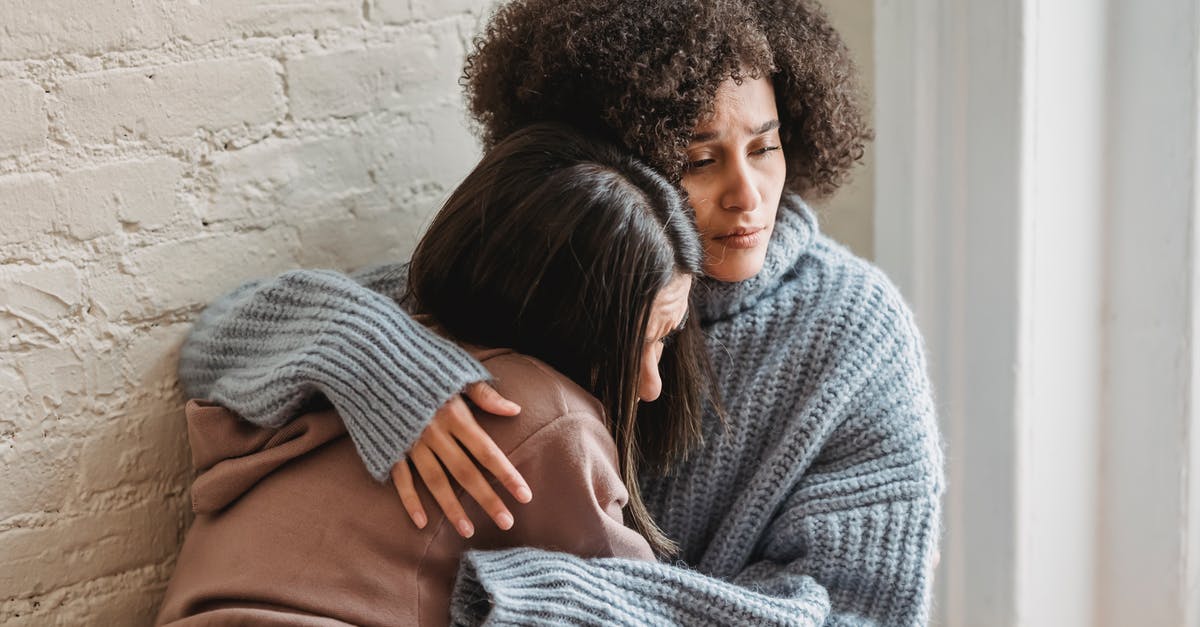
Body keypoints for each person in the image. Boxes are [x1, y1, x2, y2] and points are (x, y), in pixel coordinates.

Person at [178, 0, 945, 624]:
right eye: (699, 159)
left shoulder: (855, 334)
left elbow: (857, 612)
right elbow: (218, 344)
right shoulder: (561, 267)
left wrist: (566, 599)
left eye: (766, 148)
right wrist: (382, 365)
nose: (748, 195)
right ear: (614, 158)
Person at [156, 124, 712, 625]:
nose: (650, 384)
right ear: (562, 318)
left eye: (663, 341)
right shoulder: (548, 416)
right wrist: (381, 361)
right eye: (640, 344)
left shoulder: (415, 311)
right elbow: (637, 609)